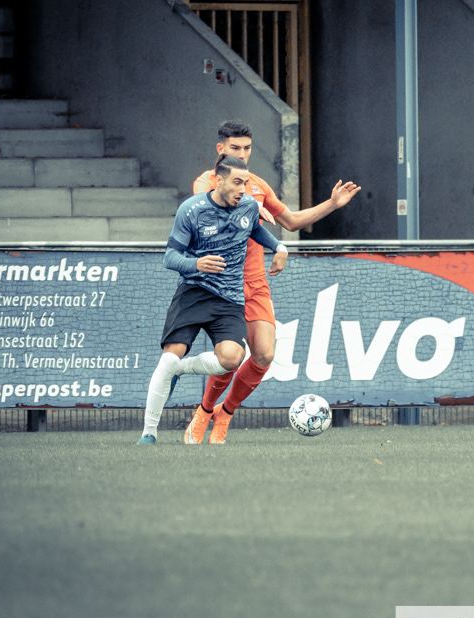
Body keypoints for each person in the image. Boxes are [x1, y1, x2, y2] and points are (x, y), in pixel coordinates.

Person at [183, 120, 360, 445]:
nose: (242, 154)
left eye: (247, 148)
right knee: (231, 355)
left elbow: (290, 222)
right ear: (220, 149)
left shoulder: (259, 185)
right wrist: (252, 205)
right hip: (223, 285)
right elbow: (210, 210)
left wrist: (332, 204)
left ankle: (225, 412)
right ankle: (204, 412)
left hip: (255, 282)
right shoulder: (206, 182)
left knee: (264, 355)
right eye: (235, 148)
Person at [136, 154, 284, 445]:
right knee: (170, 356)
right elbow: (170, 257)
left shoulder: (248, 206)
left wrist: (279, 247)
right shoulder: (191, 209)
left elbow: (255, 229)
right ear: (218, 181)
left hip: (229, 299)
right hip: (194, 291)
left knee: (231, 359)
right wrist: (196, 264)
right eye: (237, 182)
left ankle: (182, 369)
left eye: (246, 183)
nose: (243, 189)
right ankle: (148, 433)